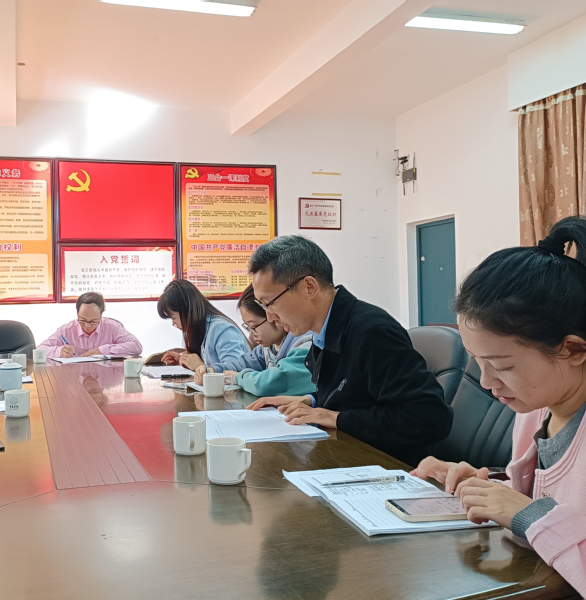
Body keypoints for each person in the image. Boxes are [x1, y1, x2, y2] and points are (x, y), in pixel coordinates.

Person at [412, 216, 586, 596]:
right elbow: (549, 499)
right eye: (478, 362)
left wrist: (525, 513)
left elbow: (545, 513)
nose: (488, 384)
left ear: (573, 349)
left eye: (503, 367)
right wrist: (488, 486)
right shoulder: (537, 407)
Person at [246, 235, 452, 465]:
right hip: (349, 458)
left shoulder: (372, 332)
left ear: (309, 287)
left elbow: (430, 417)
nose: (270, 317)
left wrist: (337, 418)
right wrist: (310, 401)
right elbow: (357, 396)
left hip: (390, 468)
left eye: (270, 303)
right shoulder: (324, 331)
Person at [193, 285, 315, 397]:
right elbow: (241, 364)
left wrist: (238, 378)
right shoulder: (267, 348)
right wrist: (213, 370)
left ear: (274, 316)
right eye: (248, 327)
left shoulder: (305, 342)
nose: (252, 334)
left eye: (254, 326)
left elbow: (274, 382)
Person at [157, 279, 250, 372]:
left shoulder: (222, 329)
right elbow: (205, 359)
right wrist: (184, 360)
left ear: (186, 311)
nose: (173, 324)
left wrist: (201, 367)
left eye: (173, 318)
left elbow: (235, 371)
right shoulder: (195, 329)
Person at [37, 292, 142, 360]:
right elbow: (39, 350)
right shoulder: (67, 330)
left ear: (101, 315)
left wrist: (103, 350)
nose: (87, 326)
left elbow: (136, 346)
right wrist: (59, 351)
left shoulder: (112, 327)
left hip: (105, 375)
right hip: (76, 377)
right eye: (82, 320)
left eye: (93, 321)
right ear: (77, 313)